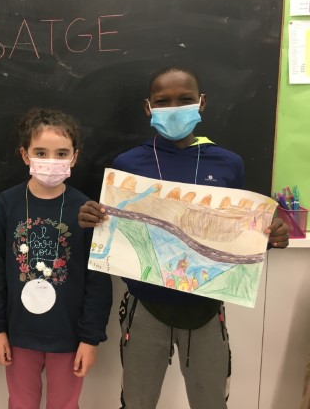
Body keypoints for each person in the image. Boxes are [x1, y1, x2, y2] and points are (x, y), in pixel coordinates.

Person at [78, 66, 290, 409]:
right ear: (148, 107)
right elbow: (114, 227)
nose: (174, 108)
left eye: (185, 99)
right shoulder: (127, 164)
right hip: (145, 305)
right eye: (163, 101)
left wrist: (269, 235)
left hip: (206, 308)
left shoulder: (228, 164)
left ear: (201, 103)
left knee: (211, 401)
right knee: (137, 402)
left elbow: (238, 233)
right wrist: (93, 219)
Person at [0, 108, 113, 409]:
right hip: (19, 335)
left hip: (68, 337)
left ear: (75, 157)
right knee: (21, 403)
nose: (51, 161)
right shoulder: (7, 204)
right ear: (24, 155)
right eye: (41, 152)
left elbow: (97, 279)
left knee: (65, 404)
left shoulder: (86, 210)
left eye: (61, 153)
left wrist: (90, 338)